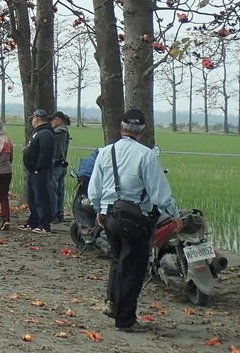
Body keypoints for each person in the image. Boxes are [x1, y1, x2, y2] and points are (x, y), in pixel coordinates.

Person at [89, 109, 179, 333]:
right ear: (142, 131)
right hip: (136, 219)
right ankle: (125, 319)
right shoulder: (146, 155)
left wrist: (100, 210)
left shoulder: (106, 152)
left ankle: (112, 303)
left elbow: (94, 190)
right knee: (133, 269)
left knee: (118, 260)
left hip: (110, 215)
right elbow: (159, 194)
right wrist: (175, 216)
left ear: (121, 129)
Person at [21, 109, 55, 234]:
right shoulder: (38, 133)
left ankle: (44, 224)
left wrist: (39, 168)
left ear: (37, 118)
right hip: (33, 171)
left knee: (41, 198)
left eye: (33, 119)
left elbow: (45, 153)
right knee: (33, 198)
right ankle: (33, 221)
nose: (32, 121)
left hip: (39, 171)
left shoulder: (45, 133)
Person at [51, 111, 72, 223]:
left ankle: (54, 214)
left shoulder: (59, 132)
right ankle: (59, 213)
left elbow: (56, 151)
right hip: (61, 164)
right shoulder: (64, 131)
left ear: (59, 120)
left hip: (56, 164)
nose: (51, 122)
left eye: (53, 120)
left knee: (53, 191)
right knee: (60, 190)